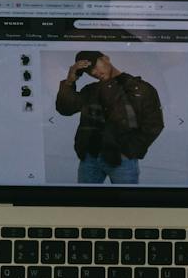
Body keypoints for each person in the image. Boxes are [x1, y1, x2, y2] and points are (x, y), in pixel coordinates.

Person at [55, 50, 164, 185]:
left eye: (95, 66)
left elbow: (154, 124)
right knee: (85, 204)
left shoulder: (139, 88)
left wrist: (130, 150)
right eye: (89, 71)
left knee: (126, 204)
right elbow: (65, 109)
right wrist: (69, 81)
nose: (94, 73)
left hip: (122, 161)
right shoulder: (91, 90)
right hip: (90, 159)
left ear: (106, 58)